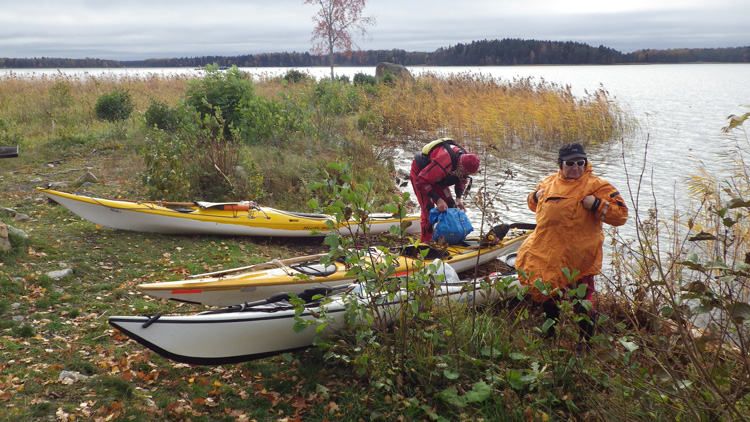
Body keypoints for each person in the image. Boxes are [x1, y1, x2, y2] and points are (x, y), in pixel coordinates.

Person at [515, 142, 628, 340]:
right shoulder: (548, 183)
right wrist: (534, 196)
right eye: (570, 163)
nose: (576, 168)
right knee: (548, 292)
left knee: (581, 300)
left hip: (579, 256)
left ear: (586, 163)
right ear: (560, 165)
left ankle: (586, 341)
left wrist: (596, 204)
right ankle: (550, 335)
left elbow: (621, 216)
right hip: (549, 251)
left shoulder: (597, 186)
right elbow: (533, 205)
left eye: (580, 162)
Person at [410, 138, 480, 243]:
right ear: (461, 166)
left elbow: (462, 179)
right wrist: (437, 199)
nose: (465, 176)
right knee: (428, 211)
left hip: (439, 177)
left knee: (451, 206)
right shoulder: (444, 160)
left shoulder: (467, 158)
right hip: (421, 176)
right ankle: (425, 243)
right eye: (465, 172)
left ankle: (446, 238)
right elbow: (421, 181)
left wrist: (458, 198)